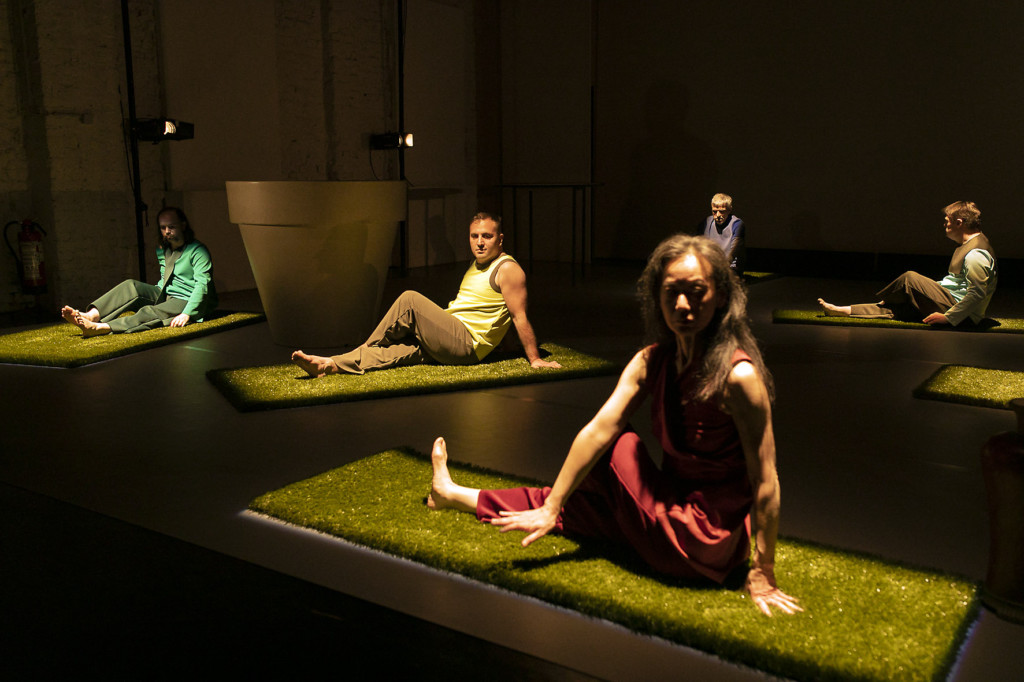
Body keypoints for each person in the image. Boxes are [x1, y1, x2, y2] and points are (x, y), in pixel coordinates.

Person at [427, 234, 801, 617]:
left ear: (721, 296)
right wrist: (555, 503)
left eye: (696, 291)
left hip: (701, 540)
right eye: (671, 292)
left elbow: (765, 481)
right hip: (670, 515)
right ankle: (452, 494)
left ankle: (545, 505)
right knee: (583, 507)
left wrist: (763, 570)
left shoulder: (738, 377)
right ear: (657, 298)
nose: (682, 304)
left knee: (617, 445)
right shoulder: (651, 360)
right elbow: (595, 429)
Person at [292, 212, 562, 377]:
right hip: (449, 337)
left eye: (487, 236)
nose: (479, 242)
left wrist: (534, 359)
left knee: (410, 299)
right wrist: (506, 347)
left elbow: (518, 315)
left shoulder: (509, 270)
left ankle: (360, 349)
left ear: (500, 239)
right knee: (395, 354)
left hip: (464, 344)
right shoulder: (479, 263)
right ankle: (328, 365)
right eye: (474, 236)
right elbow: (490, 312)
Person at [817, 201, 996, 326]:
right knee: (900, 310)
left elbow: (977, 294)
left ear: (959, 223)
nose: (945, 225)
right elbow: (957, 284)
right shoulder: (966, 247)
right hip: (951, 303)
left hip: (963, 316)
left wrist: (949, 318)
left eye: (947, 222)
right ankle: (842, 310)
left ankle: (889, 297)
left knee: (909, 278)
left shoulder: (975, 254)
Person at [60, 207, 218, 337]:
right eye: (163, 228)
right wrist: (154, 293)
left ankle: (100, 328)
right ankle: (92, 315)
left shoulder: (198, 251)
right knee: (131, 286)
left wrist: (187, 313)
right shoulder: (163, 249)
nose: (167, 231)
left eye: (172, 227)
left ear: (183, 226)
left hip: (186, 298)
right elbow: (165, 277)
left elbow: (202, 285)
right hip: (166, 292)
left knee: (150, 312)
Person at [699, 192, 745, 274]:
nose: (718, 215)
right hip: (711, 267)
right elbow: (703, 247)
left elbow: (734, 251)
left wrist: (721, 268)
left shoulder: (736, 224)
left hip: (730, 269)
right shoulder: (707, 222)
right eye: (714, 211)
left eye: (722, 211)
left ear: (729, 210)